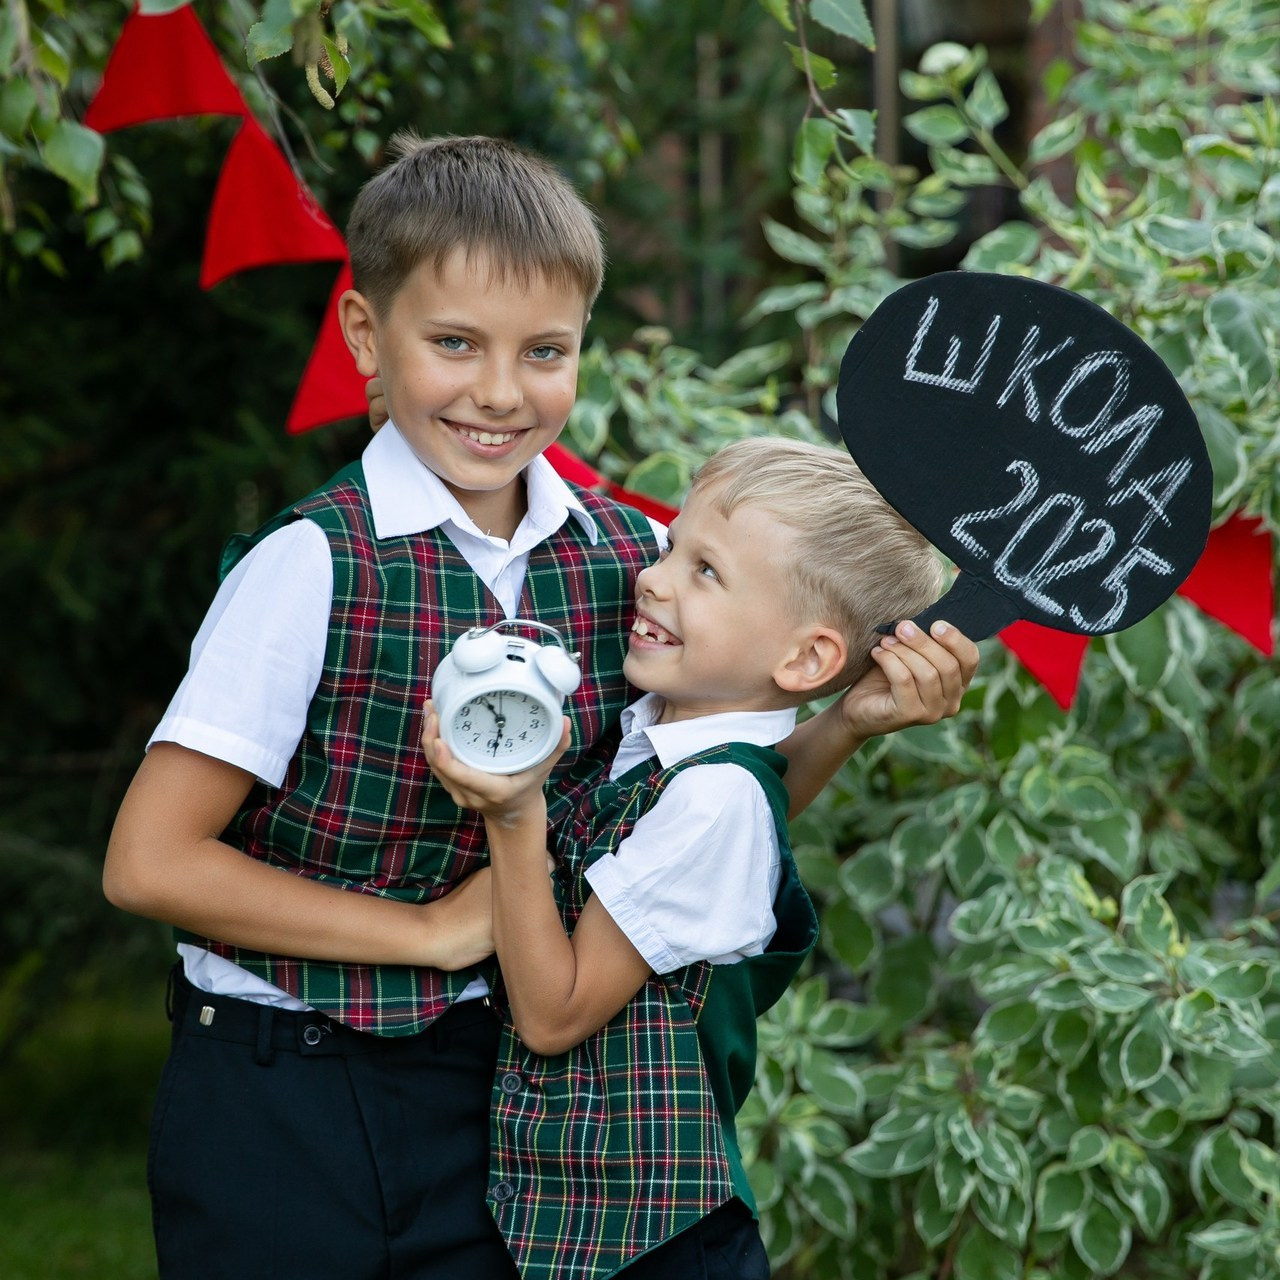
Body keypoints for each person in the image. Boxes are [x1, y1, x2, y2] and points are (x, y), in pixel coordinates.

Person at [104, 132, 978, 1280]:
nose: (501, 391)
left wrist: (840, 725)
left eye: (545, 350)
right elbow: (149, 861)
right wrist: (422, 932)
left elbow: (677, 806)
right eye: (454, 343)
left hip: (500, 1100)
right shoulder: (313, 565)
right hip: (284, 1091)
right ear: (366, 335)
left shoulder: (634, 561)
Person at [423, 436, 946, 1278]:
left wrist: (515, 816)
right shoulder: (670, 743)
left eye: (707, 571)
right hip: (598, 1223)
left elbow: (554, 1017)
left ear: (807, 658)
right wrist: (846, 721)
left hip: (649, 1245)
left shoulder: (713, 796)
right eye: (672, 545)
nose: (655, 577)